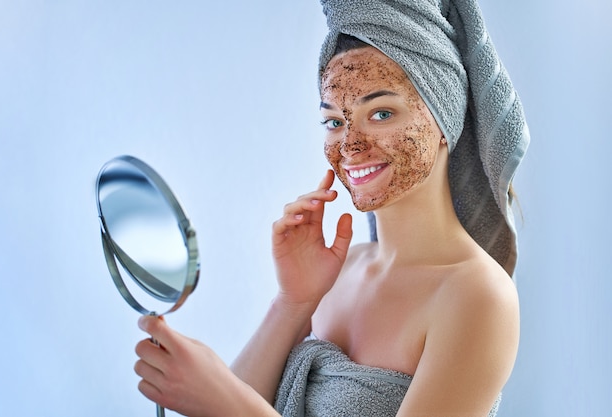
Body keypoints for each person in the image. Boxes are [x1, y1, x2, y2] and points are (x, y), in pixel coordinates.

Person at [133, 0, 529, 416]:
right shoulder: (337, 270)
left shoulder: (478, 297)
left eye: (380, 113)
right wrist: (292, 304)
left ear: (445, 119)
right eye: (335, 122)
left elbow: (231, 405)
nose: (351, 147)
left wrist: (226, 402)